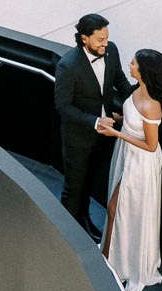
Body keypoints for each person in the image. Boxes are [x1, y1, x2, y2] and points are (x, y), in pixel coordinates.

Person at [54, 14, 133, 241]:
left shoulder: (111, 50)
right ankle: (69, 236)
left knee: (88, 181)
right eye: (100, 39)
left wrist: (138, 101)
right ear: (84, 38)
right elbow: (63, 106)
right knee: (74, 187)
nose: (105, 43)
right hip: (78, 138)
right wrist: (95, 121)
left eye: (106, 38)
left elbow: (119, 79)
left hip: (104, 136)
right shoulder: (68, 65)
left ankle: (84, 220)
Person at [100, 49, 162, 291]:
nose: (129, 65)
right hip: (128, 155)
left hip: (141, 163)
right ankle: (110, 258)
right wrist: (117, 119)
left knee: (118, 208)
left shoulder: (152, 105)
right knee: (118, 209)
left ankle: (112, 262)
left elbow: (151, 145)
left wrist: (117, 134)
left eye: (133, 63)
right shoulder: (136, 91)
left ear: (143, 71)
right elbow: (132, 118)